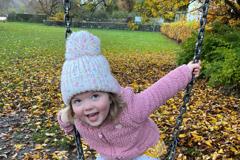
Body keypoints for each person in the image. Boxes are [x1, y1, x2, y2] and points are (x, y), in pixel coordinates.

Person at [57, 31, 201, 160]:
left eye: (95, 96)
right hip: (109, 156)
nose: (87, 107)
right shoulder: (78, 117)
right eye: (77, 100)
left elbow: (161, 90)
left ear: (109, 95)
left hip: (142, 151)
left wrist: (186, 72)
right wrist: (64, 118)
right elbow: (68, 127)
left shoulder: (131, 108)